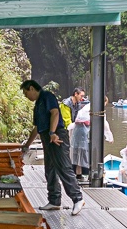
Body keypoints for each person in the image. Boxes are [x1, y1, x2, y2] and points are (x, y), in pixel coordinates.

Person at [20, 80, 85, 215]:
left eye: (26, 93)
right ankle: (54, 201)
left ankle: (77, 198)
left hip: (56, 136)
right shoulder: (37, 104)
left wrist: (52, 133)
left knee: (63, 167)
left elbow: (55, 113)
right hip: (47, 137)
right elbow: (37, 128)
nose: (26, 96)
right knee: (50, 169)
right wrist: (27, 145)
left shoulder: (47, 96)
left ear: (31, 88)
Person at [69, 96, 91, 179]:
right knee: (84, 155)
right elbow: (104, 125)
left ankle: (78, 175)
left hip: (77, 136)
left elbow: (72, 125)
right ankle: (88, 175)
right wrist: (109, 137)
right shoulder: (96, 111)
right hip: (85, 136)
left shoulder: (81, 111)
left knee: (78, 155)